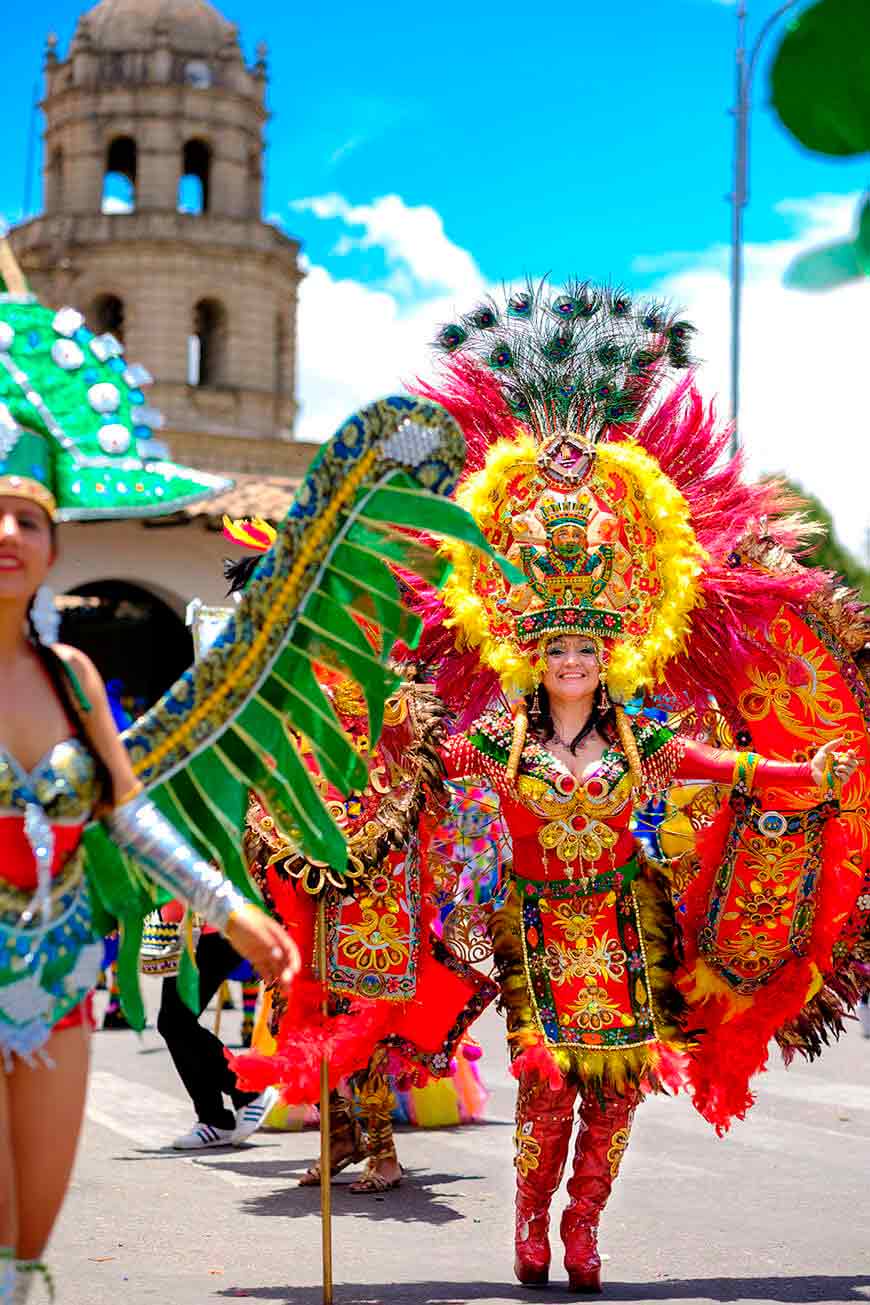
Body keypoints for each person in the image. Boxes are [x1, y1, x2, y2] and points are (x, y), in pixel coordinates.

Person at [397, 278, 865, 1290]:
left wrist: (804, 768)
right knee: (546, 1087)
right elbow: (421, 773)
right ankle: (528, 1222)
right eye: (557, 646)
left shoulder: (642, 737)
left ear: (610, 655)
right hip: (535, 932)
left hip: (621, 928)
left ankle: (582, 1225)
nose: (572, 660)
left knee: (616, 1093)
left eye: (586, 649)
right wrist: (383, 727)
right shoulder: (496, 742)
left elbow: (724, 764)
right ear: (534, 652)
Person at [0, 262, 300, 1303]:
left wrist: (236, 910)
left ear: (53, 540)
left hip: (49, 997)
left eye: (29, 518)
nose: (8, 535)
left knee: (23, 1249)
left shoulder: (74, 677)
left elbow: (130, 815)